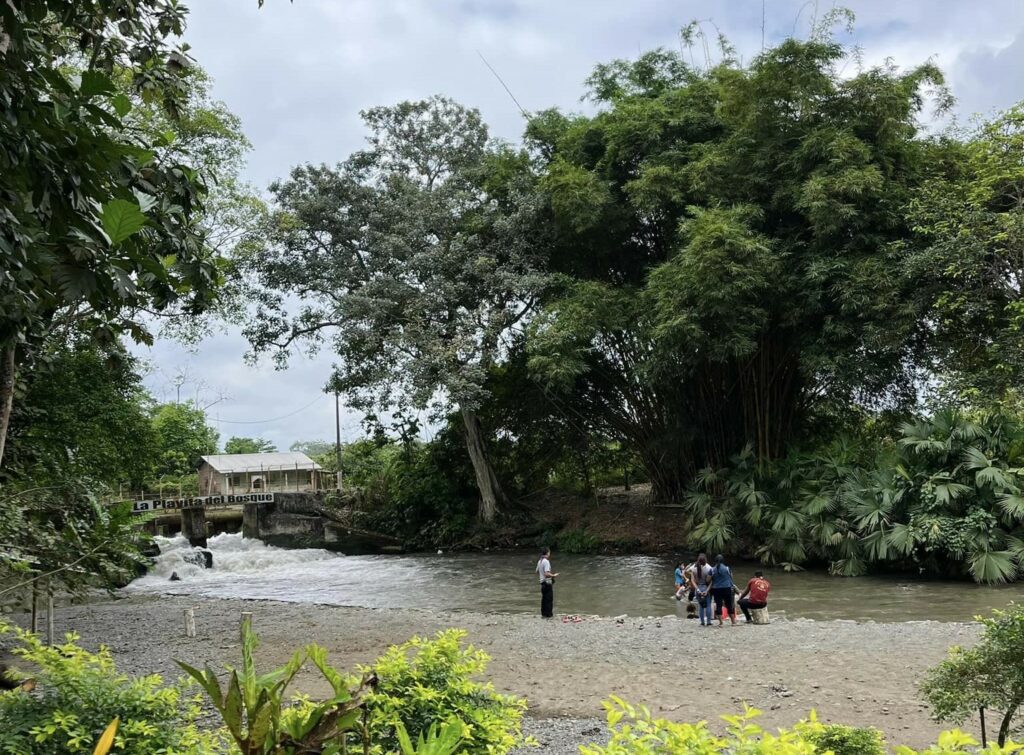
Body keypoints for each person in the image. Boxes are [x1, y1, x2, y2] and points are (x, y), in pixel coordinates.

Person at [710, 554, 736, 626]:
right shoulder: (727, 568)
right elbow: (731, 577)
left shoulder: (712, 569)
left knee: (718, 605)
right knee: (729, 604)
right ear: (723, 560)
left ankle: (721, 623)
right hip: (727, 588)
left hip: (716, 589)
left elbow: (708, 579)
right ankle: (733, 622)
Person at [690, 553, 713, 626]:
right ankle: (708, 622)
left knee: (701, 606)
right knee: (708, 605)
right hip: (706, 588)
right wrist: (706, 591)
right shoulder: (709, 568)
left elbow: (692, 581)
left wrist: (697, 589)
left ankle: (702, 622)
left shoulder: (693, 568)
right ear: (705, 560)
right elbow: (711, 581)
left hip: (698, 588)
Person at [536, 547, 558, 618]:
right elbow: (546, 573)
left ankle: (544, 614)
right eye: (549, 552)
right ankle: (549, 615)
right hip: (547, 583)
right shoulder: (546, 561)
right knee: (549, 600)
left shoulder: (540, 561)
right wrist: (554, 575)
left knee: (544, 600)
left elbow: (536, 571)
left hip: (542, 583)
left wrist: (541, 576)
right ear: (547, 553)